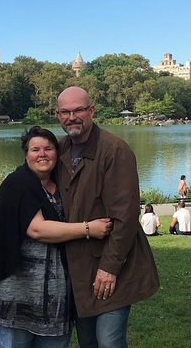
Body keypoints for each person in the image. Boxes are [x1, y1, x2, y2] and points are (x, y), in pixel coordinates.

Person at [0, 126, 113, 348]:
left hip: (55, 298)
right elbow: (37, 230)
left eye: (48, 148)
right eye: (35, 149)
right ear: (26, 155)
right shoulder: (18, 182)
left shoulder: (61, 186)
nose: (42, 154)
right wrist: (88, 229)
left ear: (57, 153)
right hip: (18, 294)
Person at [55, 86, 160, 348]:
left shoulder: (114, 150)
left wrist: (110, 268)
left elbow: (125, 215)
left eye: (78, 110)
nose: (72, 117)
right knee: (88, 342)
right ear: (58, 115)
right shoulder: (58, 150)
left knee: (109, 342)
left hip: (113, 265)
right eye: (65, 112)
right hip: (77, 268)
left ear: (91, 111)